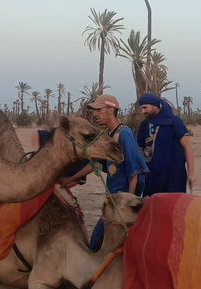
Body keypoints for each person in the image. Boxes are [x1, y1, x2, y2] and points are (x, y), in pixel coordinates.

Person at [61, 94, 149, 250]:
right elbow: (95, 164)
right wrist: (70, 179)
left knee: (98, 244)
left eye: (98, 110)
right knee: (100, 244)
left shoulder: (125, 134)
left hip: (120, 205)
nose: (95, 114)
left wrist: (127, 204)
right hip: (111, 202)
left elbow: (135, 171)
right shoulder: (108, 136)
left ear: (110, 110)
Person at [137, 93, 195, 196]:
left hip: (174, 175)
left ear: (154, 106)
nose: (143, 111)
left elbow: (187, 147)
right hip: (152, 176)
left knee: (173, 206)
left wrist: (191, 173)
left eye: (145, 108)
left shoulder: (174, 122)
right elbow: (140, 150)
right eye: (142, 108)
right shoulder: (144, 125)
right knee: (152, 207)